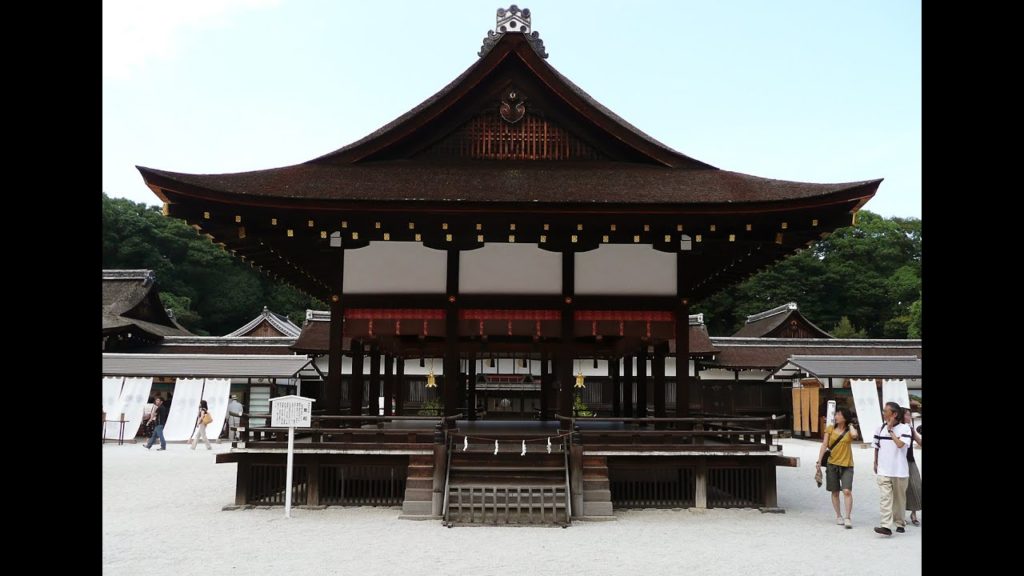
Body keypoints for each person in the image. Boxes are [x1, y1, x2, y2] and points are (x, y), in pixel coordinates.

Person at [872, 402, 911, 536]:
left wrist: (890, 431)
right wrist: (875, 462)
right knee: (885, 498)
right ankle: (886, 526)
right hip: (884, 469)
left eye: (885, 411)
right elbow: (876, 446)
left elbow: (900, 444)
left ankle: (900, 522)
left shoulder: (905, 429)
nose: (883, 413)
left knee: (899, 500)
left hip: (899, 471)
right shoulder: (879, 428)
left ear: (894, 414)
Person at [816, 407, 859, 528]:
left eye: (839, 414)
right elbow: (824, 444)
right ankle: (838, 515)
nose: (836, 416)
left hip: (847, 464)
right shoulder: (830, 428)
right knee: (835, 492)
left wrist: (850, 425)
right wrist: (819, 460)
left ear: (845, 417)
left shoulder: (850, 430)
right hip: (832, 463)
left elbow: (855, 436)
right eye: (836, 414)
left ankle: (848, 517)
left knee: (847, 491)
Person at [903, 408, 922, 525]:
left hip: (910, 461)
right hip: (898, 463)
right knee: (901, 489)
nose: (910, 417)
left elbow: (920, 442)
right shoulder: (894, 429)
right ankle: (901, 514)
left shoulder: (910, 430)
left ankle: (913, 513)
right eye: (908, 415)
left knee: (916, 486)